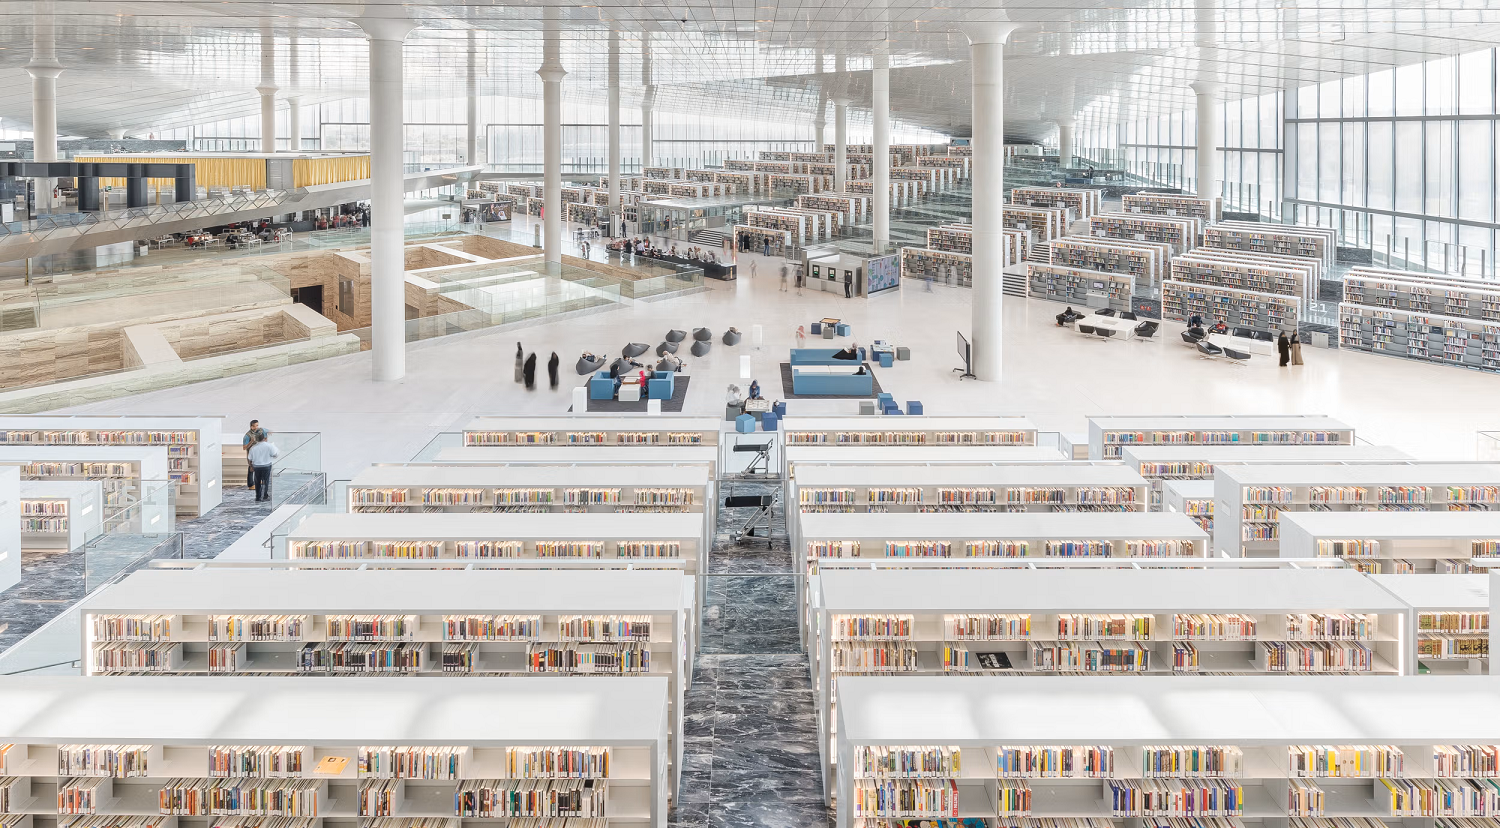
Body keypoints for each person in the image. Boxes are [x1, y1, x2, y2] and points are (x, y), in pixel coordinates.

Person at [247, 431, 279, 503]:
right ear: (264, 438)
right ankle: (265, 495)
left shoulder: (253, 448)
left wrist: (251, 467)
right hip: (267, 466)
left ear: (256, 439)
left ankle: (258, 497)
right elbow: (274, 455)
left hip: (257, 466)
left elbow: (250, 459)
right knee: (266, 481)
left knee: (257, 481)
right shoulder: (269, 446)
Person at [242, 419, 267, 489]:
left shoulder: (258, 432)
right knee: (251, 468)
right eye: (255, 426)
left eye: (257, 425)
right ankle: (250, 485)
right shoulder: (247, 436)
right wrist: (251, 441)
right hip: (251, 454)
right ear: (251, 427)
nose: (257, 427)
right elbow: (244, 447)